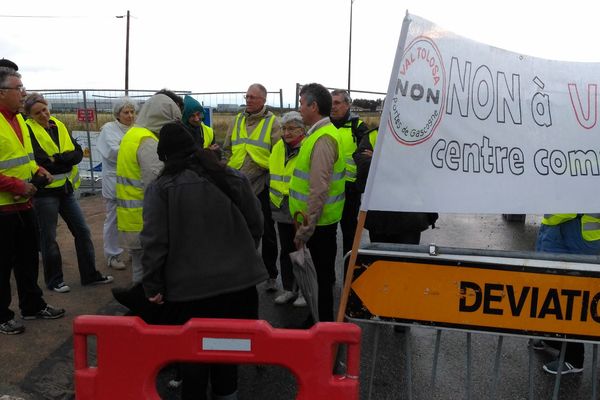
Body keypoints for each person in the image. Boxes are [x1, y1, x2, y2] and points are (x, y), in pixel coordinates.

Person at [141, 121, 266, 400]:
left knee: (193, 356)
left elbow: (154, 243)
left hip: (189, 291)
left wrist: (153, 286)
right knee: (228, 352)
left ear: (165, 158)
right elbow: (256, 223)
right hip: (238, 287)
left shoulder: (161, 188)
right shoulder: (231, 176)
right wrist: (242, 252)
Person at [24, 93, 113, 293]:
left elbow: (78, 153)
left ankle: (90, 275)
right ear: (29, 115)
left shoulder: (59, 125)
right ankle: (55, 280)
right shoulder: (28, 130)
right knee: (49, 237)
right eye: (38, 113)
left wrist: (59, 159)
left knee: (82, 231)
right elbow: (41, 160)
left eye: (45, 110)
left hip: (66, 190)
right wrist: (63, 159)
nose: (44, 115)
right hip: (45, 193)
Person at [0, 67, 65, 335]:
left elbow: (25, 159)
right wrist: (19, 186)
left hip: (24, 204)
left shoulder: (18, 121)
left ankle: (32, 305)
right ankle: (2, 316)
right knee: (2, 265)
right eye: (19, 88)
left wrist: (38, 171)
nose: (23, 93)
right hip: (3, 209)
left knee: (28, 259)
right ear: (2, 92)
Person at [290, 83, 346, 323]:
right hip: (318, 222)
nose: (299, 108)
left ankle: (323, 329)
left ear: (314, 106)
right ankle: (317, 321)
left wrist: (305, 229)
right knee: (319, 278)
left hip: (319, 225)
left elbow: (319, 189)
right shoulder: (318, 134)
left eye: (302, 103)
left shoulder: (323, 139)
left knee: (321, 279)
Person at [116, 91, 182, 283]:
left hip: (130, 215)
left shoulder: (132, 134)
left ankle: (140, 306)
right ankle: (146, 307)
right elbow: (156, 183)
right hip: (145, 217)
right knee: (148, 271)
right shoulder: (147, 141)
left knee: (139, 266)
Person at [223, 83, 281, 292]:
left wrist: (267, 176)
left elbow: (278, 154)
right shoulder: (237, 120)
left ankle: (270, 275)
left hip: (261, 186)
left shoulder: (274, 123)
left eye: (253, 97)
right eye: (247, 96)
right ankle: (241, 272)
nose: (248, 100)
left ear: (263, 100)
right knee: (238, 230)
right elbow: (227, 149)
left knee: (266, 232)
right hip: (237, 185)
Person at [532, 213, 600, 375]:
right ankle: (554, 338)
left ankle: (573, 357)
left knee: (573, 297)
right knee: (550, 288)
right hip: (557, 230)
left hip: (580, 235)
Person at [353, 128, 437, 245]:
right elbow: (364, 168)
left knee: (405, 261)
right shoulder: (374, 135)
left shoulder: (420, 135)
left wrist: (378, 157)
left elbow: (421, 168)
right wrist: (399, 161)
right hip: (380, 218)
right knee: (380, 261)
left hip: (409, 218)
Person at [268, 111, 307, 307]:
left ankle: (304, 292)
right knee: (286, 251)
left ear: (302, 130)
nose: (286, 132)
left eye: (291, 128)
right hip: (281, 207)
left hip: (300, 208)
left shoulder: (308, 147)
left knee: (302, 251)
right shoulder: (277, 147)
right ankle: (288, 289)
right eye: (284, 128)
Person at [97, 97, 137, 270]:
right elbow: (113, 152)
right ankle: (113, 255)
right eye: (126, 112)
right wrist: (134, 149)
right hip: (114, 181)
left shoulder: (136, 129)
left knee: (133, 217)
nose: (130, 115)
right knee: (113, 219)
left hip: (133, 182)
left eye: (132, 112)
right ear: (117, 114)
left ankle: (134, 251)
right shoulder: (109, 129)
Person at [330, 89, 370, 259]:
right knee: (328, 235)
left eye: (337, 103)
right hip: (328, 189)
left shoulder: (358, 126)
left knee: (349, 233)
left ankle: (349, 274)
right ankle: (328, 278)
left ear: (348, 105)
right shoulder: (325, 125)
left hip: (350, 190)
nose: (333, 107)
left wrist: (358, 184)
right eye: (331, 103)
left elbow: (367, 154)